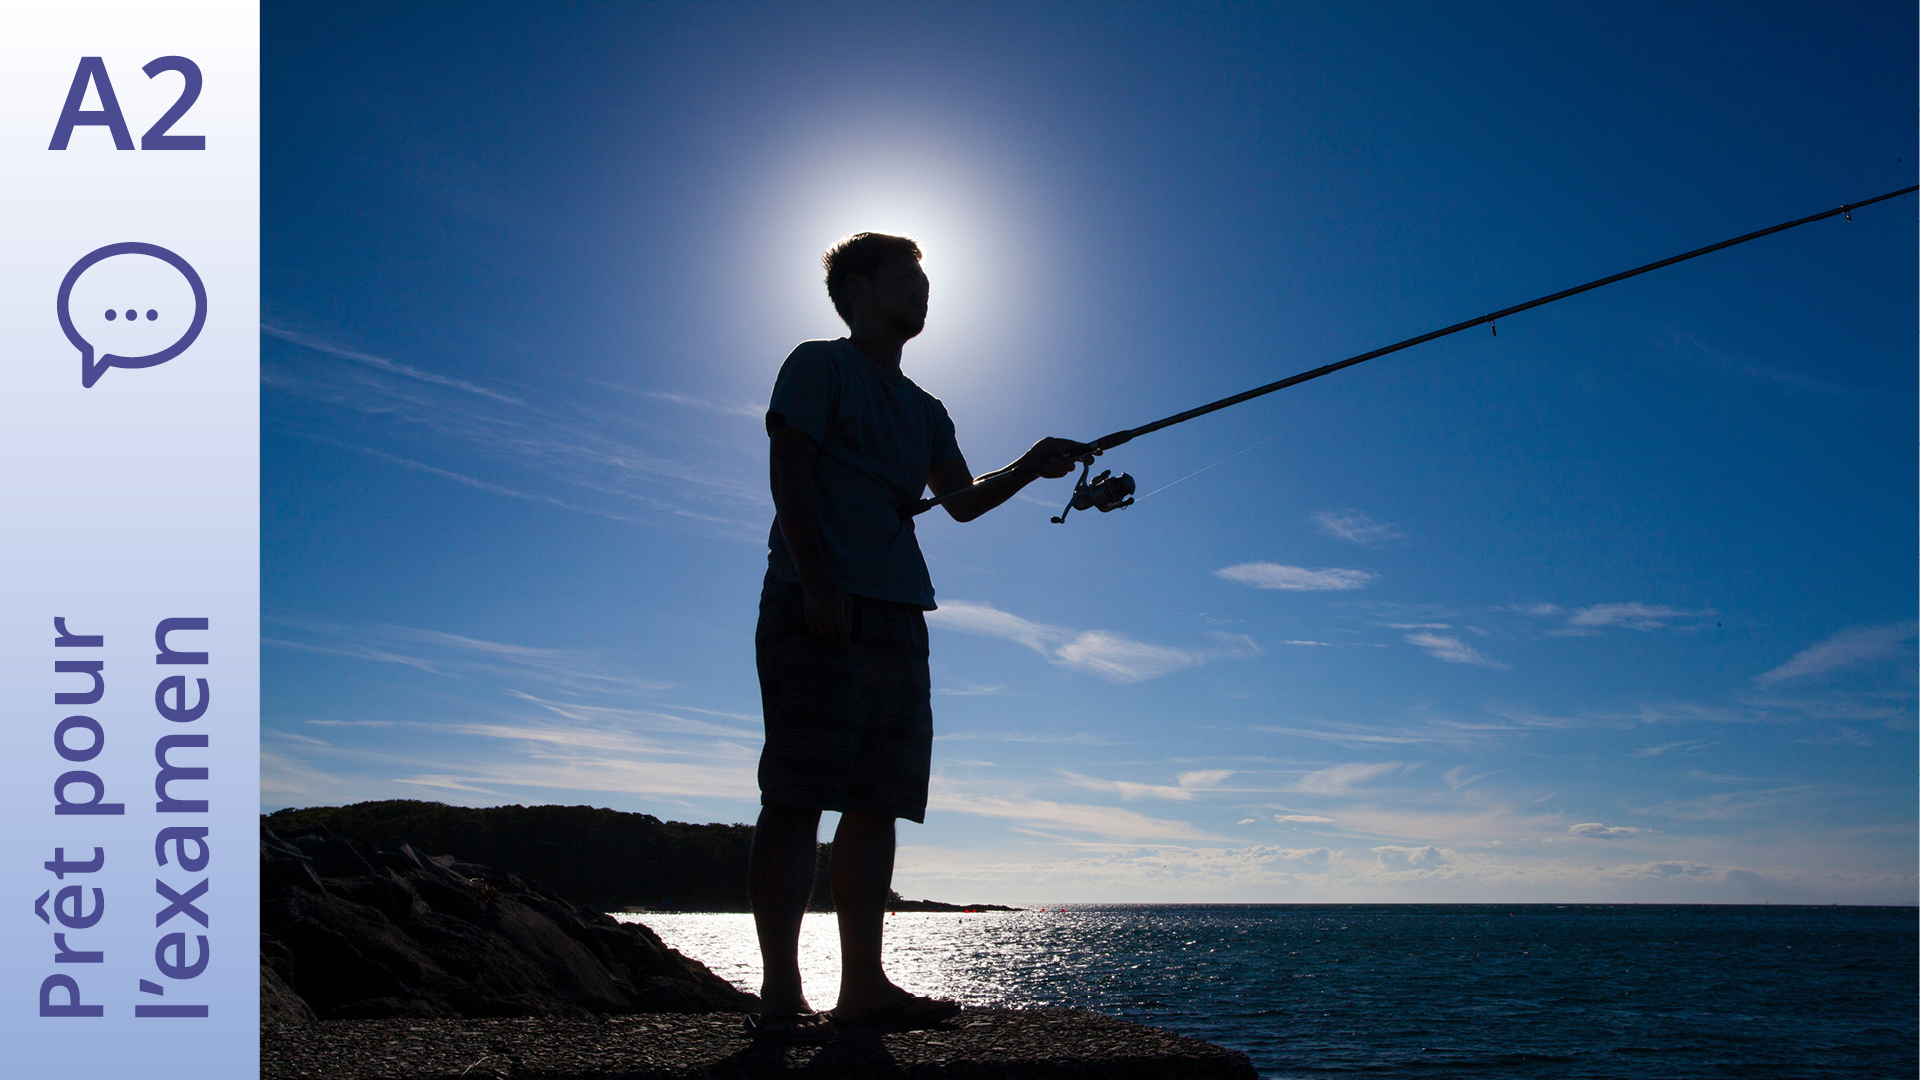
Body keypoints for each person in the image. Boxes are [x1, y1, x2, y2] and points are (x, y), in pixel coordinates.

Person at [746, 232, 1089, 1043]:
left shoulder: (926, 409)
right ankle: (779, 993)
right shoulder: (816, 365)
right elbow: (787, 468)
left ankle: (862, 987)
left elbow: (963, 501)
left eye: (924, 282)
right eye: (904, 279)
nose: (920, 293)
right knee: (795, 796)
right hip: (815, 597)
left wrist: (1034, 464)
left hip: (901, 610)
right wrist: (819, 579)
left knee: (877, 800)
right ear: (856, 290)